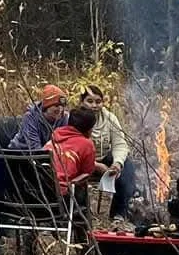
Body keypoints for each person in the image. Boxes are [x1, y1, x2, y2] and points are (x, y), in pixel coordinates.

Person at [79, 83, 137, 212]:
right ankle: (81, 213)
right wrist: (95, 165)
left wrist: (117, 163)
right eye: (90, 101)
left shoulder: (110, 118)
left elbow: (120, 144)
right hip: (81, 162)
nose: (94, 106)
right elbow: (73, 149)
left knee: (127, 166)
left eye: (98, 102)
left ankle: (120, 213)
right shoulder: (76, 118)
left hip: (104, 159)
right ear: (82, 102)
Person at [48, 106, 101, 192]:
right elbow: (87, 172)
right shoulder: (87, 144)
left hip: (40, 188)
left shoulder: (55, 135)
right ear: (88, 129)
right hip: (62, 192)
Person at [9, 85, 69, 150]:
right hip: (19, 154)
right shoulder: (30, 117)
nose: (60, 109)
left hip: (47, 154)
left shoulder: (64, 117)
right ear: (46, 107)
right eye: (56, 105)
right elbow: (35, 149)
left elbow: (66, 142)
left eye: (62, 105)